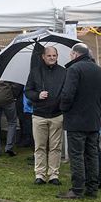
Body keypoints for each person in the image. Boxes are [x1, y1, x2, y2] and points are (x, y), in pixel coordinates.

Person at [57, 43, 101, 199]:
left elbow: (67, 94)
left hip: (76, 120)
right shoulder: (99, 70)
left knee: (77, 155)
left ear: (75, 54)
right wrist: (99, 114)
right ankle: (92, 188)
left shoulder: (74, 69)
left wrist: (64, 109)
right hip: (93, 120)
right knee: (92, 154)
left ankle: (77, 189)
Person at [25, 46, 66, 185]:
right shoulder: (35, 72)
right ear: (43, 56)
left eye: (54, 55)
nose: (52, 58)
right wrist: (38, 95)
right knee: (40, 146)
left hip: (57, 115)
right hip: (39, 115)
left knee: (55, 147)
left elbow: (67, 91)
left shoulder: (63, 72)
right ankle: (40, 174)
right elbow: (28, 91)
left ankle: (54, 175)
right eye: (49, 56)